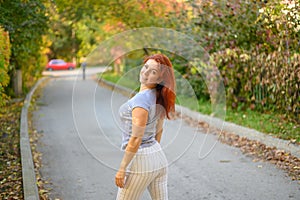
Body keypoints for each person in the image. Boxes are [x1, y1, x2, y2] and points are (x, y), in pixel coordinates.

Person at [115, 53, 176, 200]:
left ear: (160, 79)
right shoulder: (158, 96)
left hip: (142, 159)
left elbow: (136, 138)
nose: (146, 72)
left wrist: (122, 168)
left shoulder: (141, 100)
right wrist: (153, 154)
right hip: (158, 156)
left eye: (153, 72)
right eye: (146, 66)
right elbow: (159, 130)